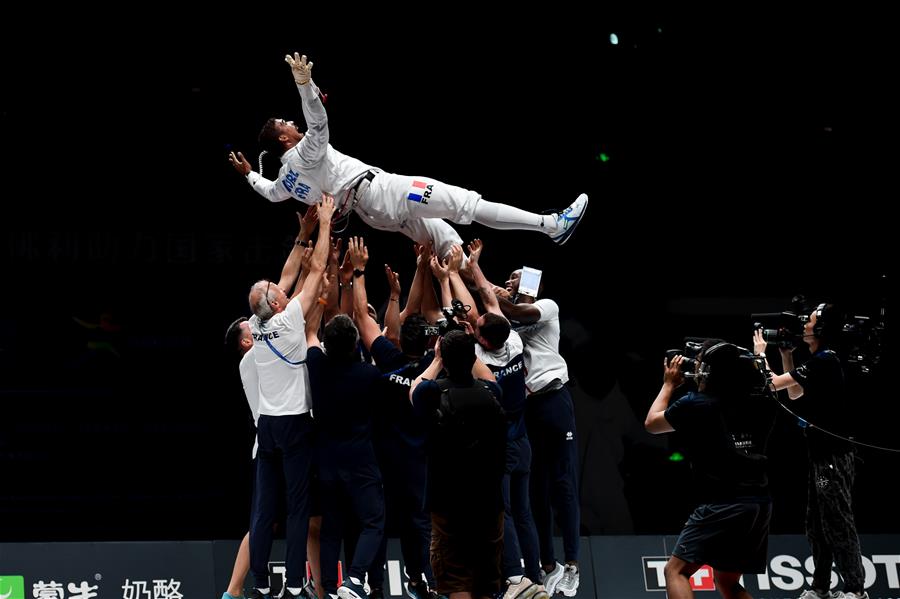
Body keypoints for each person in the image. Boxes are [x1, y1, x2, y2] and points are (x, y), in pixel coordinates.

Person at [228, 53, 588, 259]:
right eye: (284, 123)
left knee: (446, 243)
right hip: (382, 192)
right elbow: (318, 120)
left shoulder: (287, 178)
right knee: (466, 203)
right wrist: (304, 86)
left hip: (374, 214)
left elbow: (269, 191)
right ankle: (552, 225)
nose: (292, 123)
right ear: (284, 141)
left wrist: (248, 174)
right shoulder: (305, 151)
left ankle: (483, 308)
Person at [246, 194, 335, 599]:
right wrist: (327, 224)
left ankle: (262, 582)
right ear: (277, 303)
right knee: (298, 506)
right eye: (273, 288)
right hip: (295, 422)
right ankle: (297, 582)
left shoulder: (256, 320)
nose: (276, 284)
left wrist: (301, 233)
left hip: (267, 427)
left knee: (265, 508)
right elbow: (315, 268)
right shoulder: (290, 318)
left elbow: (284, 277)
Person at [645, 340, 777, 599]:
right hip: (759, 503)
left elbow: (652, 423)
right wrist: (759, 356)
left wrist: (669, 384)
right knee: (728, 581)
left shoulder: (696, 404)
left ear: (707, 371)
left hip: (724, 502)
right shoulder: (762, 400)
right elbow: (768, 380)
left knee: (676, 571)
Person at [754, 303, 867, 599]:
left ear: (821, 329)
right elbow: (795, 393)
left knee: (837, 520)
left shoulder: (827, 360)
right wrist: (786, 355)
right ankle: (820, 587)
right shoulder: (818, 360)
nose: (804, 324)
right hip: (819, 457)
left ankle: (855, 589)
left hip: (833, 458)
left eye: (811, 320)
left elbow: (774, 385)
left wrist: (759, 354)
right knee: (816, 525)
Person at [494, 269, 579, 597]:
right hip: (528, 409)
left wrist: (522, 282)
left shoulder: (546, 306)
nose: (510, 279)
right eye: (510, 276)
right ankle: (548, 564)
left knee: (563, 482)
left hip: (555, 400)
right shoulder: (507, 320)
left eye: (517, 277)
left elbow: (517, 307)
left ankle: (572, 565)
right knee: (536, 489)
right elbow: (495, 305)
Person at [410, 330, 507, 599]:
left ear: (443, 357)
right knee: (487, 580)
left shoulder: (431, 392)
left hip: (448, 502)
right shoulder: (492, 392)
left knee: (455, 580)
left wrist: (437, 360)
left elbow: (414, 389)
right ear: (473, 357)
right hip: (488, 500)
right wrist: (468, 347)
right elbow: (489, 376)